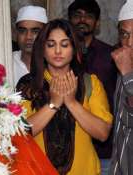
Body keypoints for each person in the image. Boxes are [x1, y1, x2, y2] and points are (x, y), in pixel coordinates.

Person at [16, 19, 112, 175]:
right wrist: (53, 104)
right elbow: (20, 133)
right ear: (43, 49)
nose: (58, 51)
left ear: (74, 49)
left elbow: (103, 133)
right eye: (51, 45)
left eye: (65, 45)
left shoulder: (90, 82)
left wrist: (72, 102)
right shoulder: (29, 84)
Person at [68, 0, 118, 172]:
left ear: (97, 23)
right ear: (69, 20)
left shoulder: (111, 55)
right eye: (77, 15)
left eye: (88, 16)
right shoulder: (57, 56)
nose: (82, 20)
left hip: (104, 148)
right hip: (69, 148)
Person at [109, 0, 133, 174]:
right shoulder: (123, 67)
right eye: (125, 34)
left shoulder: (125, 69)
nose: (130, 42)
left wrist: (127, 74)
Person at [13, 5, 47, 86]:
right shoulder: (6, 61)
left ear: (45, 34)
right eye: (22, 31)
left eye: (35, 31)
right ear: (16, 34)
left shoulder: (54, 62)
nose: (28, 37)